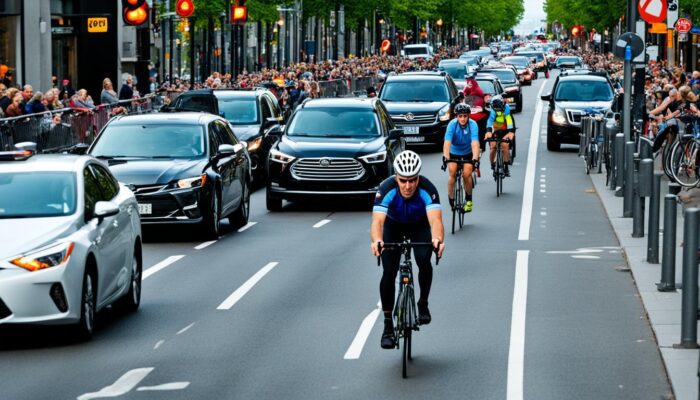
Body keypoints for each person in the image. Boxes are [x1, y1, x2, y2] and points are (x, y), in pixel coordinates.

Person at [370, 150, 445, 349]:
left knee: (423, 260)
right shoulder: (386, 188)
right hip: (393, 227)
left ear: (418, 177)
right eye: (403, 180)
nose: (408, 186)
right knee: (389, 271)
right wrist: (377, 240)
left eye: (412, 180)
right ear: (396, 177)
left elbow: (436, 220)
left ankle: (423, 303)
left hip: (419, 225)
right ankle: (387, 326)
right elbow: (377, 222)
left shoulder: (428, 189)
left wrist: (437, 240)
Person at [441, 103, 481, 212]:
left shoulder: (473, 125)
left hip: (468, 152)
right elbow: (447, 143)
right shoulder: (452, 125)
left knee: (467, 174)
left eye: (465, 116)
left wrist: (475, 159)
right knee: (452, 172)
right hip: (454, 152)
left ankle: (468, 200)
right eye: (460, 116)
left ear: (468, 116)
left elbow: (475, 143)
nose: (462, 119)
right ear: (456, 116)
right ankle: (451, 197)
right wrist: (446, 157)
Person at [484, 96, 515, 176]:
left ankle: (506, 166)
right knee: (493, 146)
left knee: (505, 145)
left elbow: (509, 120)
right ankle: (492, 164)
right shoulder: (492, 109)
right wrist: (488, 131)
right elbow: (490, 121)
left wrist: (511, 131)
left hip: (505, 130)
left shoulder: (506, 108)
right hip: (495, 130)